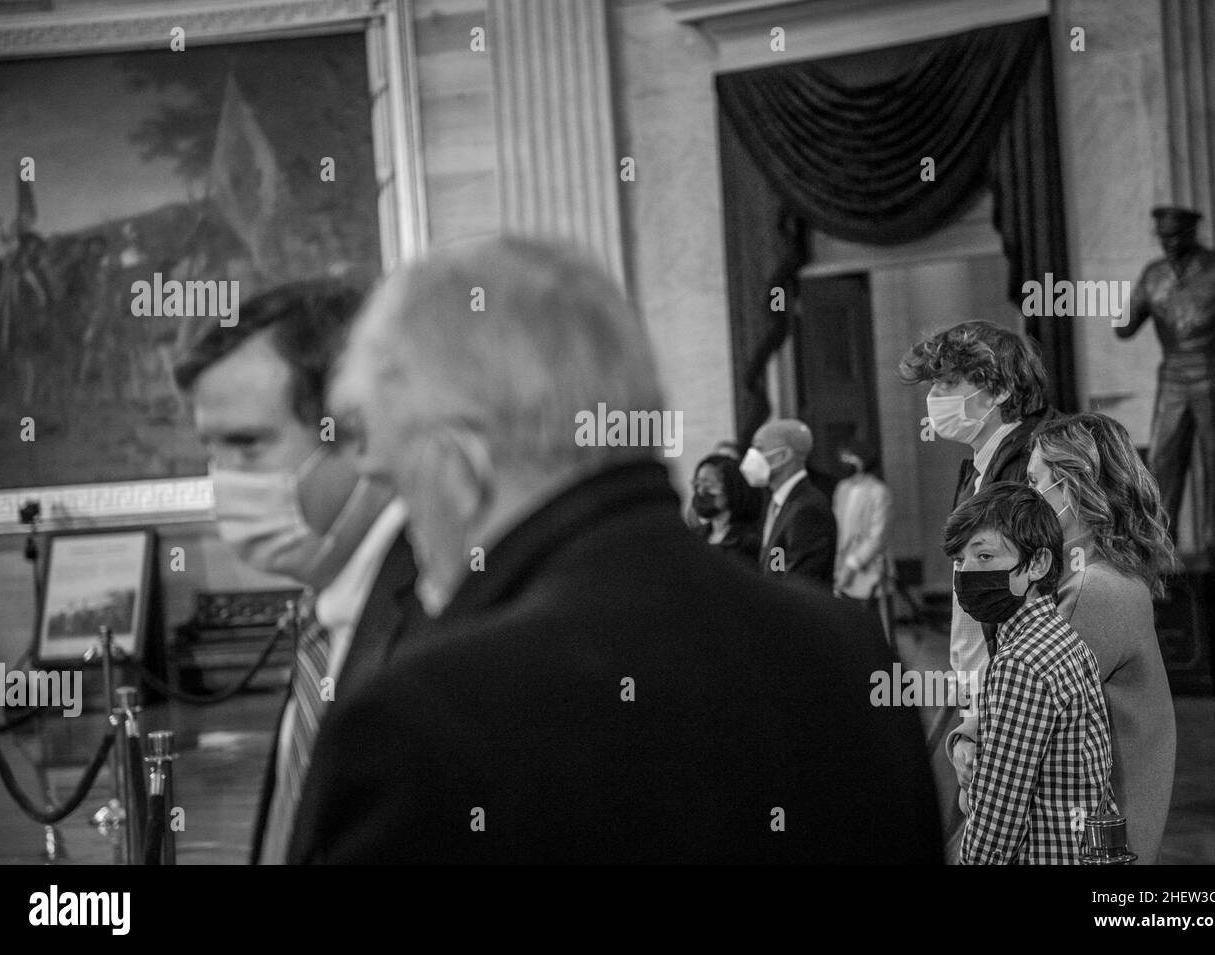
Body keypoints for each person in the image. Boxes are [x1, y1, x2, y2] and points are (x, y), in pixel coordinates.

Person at [288, 235, 941, 864]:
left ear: (460, 468)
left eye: (400, 478)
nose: (406, 522)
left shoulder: (427, 724)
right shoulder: (847, 649)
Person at [173, 279, 425, 865]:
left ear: (355, 430)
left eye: (248, 444)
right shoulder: (330, 615)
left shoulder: (442, 615)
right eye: (212, 449)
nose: (224, 479)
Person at [899, 320, 1057, 860]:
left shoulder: (1037, 457)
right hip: (983, 681)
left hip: (1016, 681)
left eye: (947, 385)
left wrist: (987, 705)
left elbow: (1040, 583)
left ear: (1002, 391)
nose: (934, 400)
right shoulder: (977, 464)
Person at [1025, 412, 1177, 864]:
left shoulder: (1094, 588)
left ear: (1073, 486)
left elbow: (1024, 713)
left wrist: (964, 741)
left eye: (1036, 485)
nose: (1028, 498)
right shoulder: (1105, 571)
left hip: (1094, 839)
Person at [943, 482, 1115, 864]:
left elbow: (998, 817)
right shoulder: (1057, 636)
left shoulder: (1021, 661)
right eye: (960, 561)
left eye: (984, 556)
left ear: (1037, 563)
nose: (967, 573)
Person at [1118, 206, 1215, 555]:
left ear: (1193, 233)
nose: (1168, 243)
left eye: (1176, 235)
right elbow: (1124, 327)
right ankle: (1163, 543)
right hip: (1173, 378)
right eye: (1163, 237)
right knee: (1163, 459)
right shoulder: (1154, 275)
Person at [741, 419, 836, 587]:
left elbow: (802, 581)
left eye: (759, 448)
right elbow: (777, 562)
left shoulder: (807, 508)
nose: (751, 456)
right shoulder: (777, 502)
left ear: (783, 456)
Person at [831, 443, 894, 644]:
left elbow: (878, 535)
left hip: (869, 571)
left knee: (876, 629)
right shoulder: (842, 489)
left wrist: (854, 563)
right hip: (841, 567)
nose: (844, 463)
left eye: (849, 458)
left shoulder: (879, 491)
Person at [690, 453, 762, 565]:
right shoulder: (694, 537)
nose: (701, 491)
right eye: (698, 484)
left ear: (732, 488)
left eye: (709, 484)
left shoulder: (752, 541)